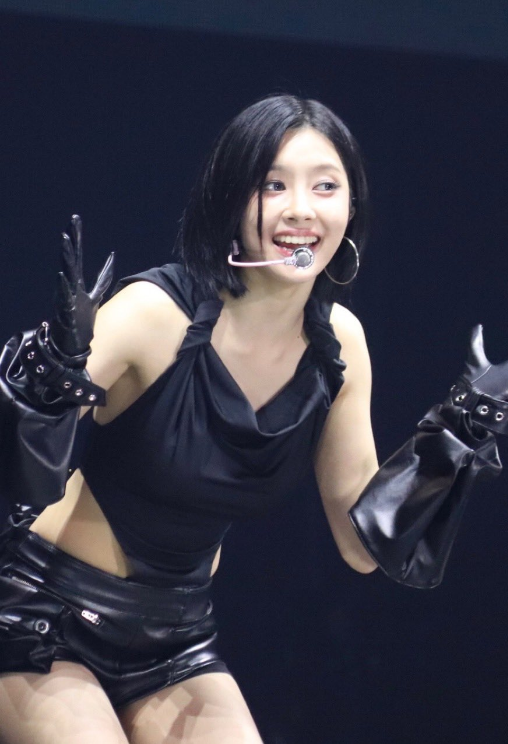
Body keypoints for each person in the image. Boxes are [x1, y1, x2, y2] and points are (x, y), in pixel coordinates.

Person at [0, 95, 505, 744]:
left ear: (352, 208)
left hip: (173, 637)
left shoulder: (340, 345)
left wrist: (456, 436)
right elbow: (17, 462)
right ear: (231, 200)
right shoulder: (153, 313)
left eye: (326, 186)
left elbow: (362, 546)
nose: (301, 209)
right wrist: (43, 377)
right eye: (273, 185)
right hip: (40, 611)